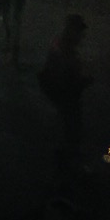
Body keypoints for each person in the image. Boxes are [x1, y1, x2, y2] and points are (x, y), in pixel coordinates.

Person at [38, 13, 90, 153]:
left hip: (61, 92)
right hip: (65, 94)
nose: (82, 36)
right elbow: (65, 77)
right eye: (79, 32)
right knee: (70, 125)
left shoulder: (60, 46)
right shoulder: (64, 51)